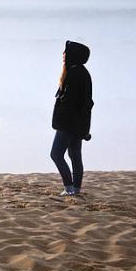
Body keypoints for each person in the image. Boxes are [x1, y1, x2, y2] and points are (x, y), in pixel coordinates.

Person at [51, 40, 94, 196]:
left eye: (66, 52)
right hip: (75, 124)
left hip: (69, 124)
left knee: (56, 154)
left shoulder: (76, 73)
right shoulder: (77, 71)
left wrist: (75, 126)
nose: (63, 55)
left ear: (73, 55)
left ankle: (69, 188)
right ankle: (75, 189)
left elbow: (77, 103)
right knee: (74, 155)